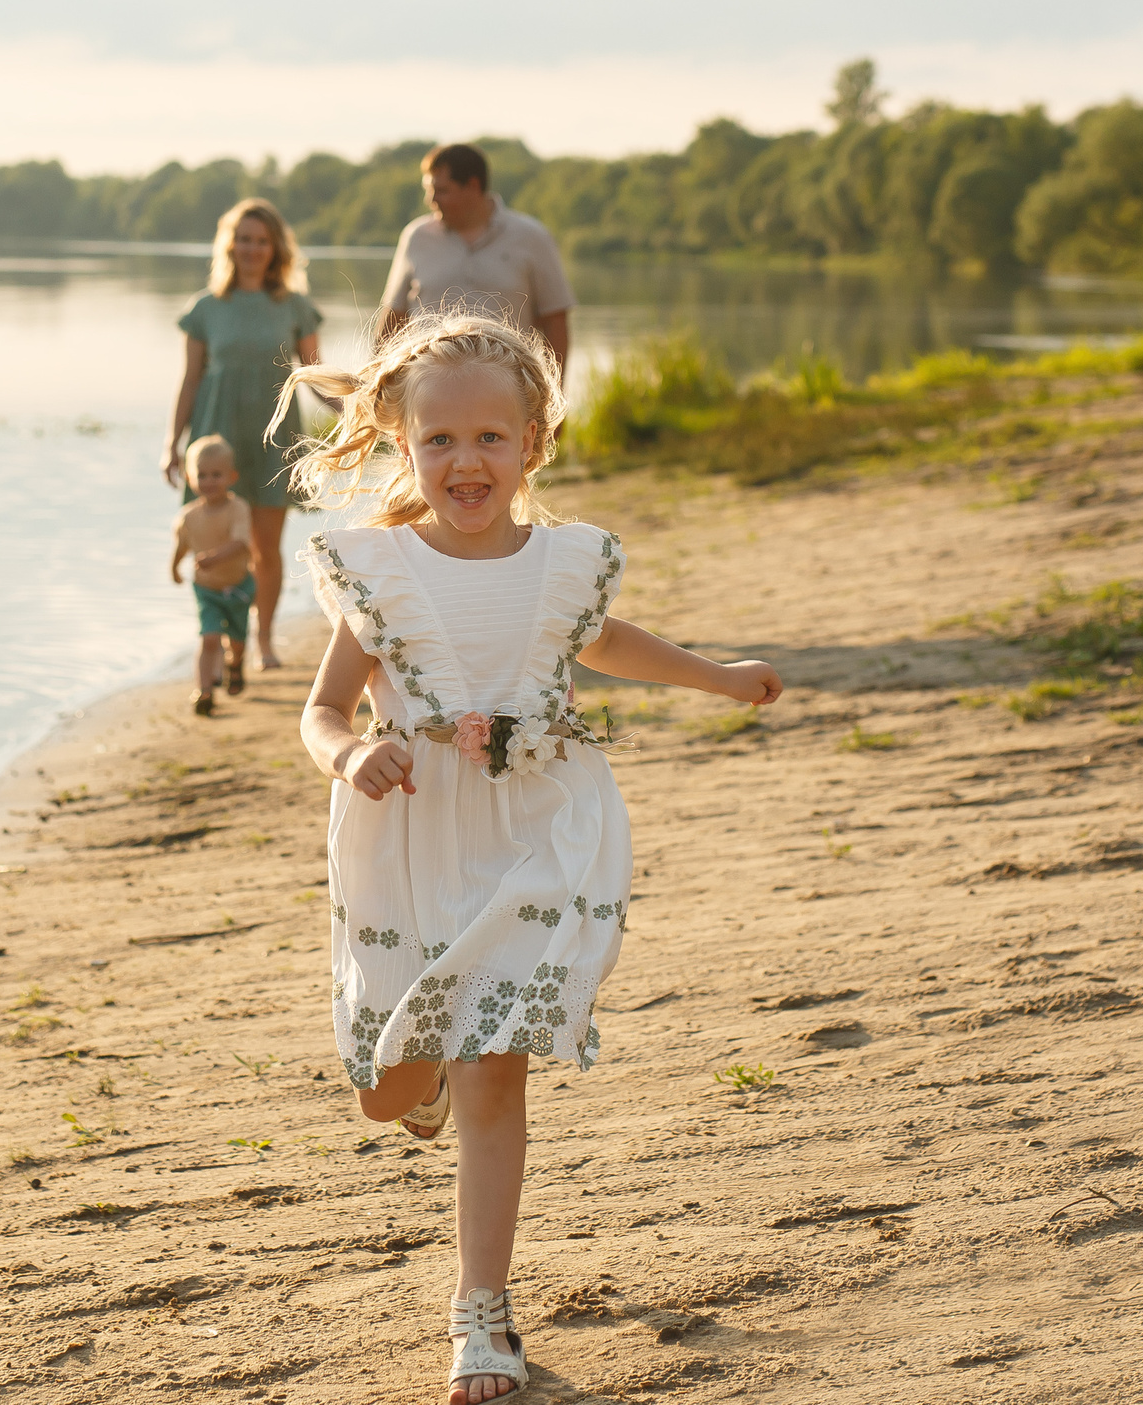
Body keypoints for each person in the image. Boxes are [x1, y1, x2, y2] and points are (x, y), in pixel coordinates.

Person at [280, 312, 783, 1404]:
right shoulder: (380, 571)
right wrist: (351, 752)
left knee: (494, 1064)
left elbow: (603, 643)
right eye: (439, 441)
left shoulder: (565, 563)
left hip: (535, 834)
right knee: (390, 1093)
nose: (465, 462)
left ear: (532, 442)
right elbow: (320, 711)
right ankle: (422, 1080)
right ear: (403, 443)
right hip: (412, 839)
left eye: (489, 439)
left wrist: (716, 676)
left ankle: (482, 1312)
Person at [163, 197, 324, 670]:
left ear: (276, 249)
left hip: (275, 437)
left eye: (261, 241)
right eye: (244, 240)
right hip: (218, 439)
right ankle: (219, 638)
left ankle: (264, 641)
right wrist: (172, 444)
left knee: (265, 548)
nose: (252, 249)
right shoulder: (206, 308)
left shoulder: (294, 306)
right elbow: (190, 379)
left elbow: (315, 374)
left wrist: (361, 409)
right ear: (229, 246)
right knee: (214, 548)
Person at [376, 143, 573, 380]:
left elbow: (555, 321)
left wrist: (554, 391)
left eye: (442, 191)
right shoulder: (416, 236)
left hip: (508, 389)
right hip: (424, 387)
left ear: (473, 186)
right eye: (429, 190)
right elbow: (393, 317)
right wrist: (374, 384)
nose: (431, 200)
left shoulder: (532, 237)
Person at [169, 434, 255, 716]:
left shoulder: (238, 508)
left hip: (238, 585)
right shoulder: (188, 516)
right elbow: (181, 546)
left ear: (232, 476)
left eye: (216, 475)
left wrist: (214, 558)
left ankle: (235, 663)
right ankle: (204, 690)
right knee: (209, 637)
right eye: (202, 475)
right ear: (189, 478)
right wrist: (174, 568)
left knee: (237, 639)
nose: (209, 481)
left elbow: (241, 543)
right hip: (206, 589)